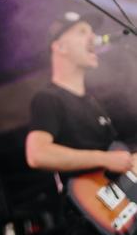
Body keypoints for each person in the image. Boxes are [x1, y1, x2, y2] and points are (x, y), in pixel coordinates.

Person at [25, 12, 137, 233]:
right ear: (60, 47)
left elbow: (117, 156)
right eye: (82, 32)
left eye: (92, 32)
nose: (93, 37)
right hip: (88, 216)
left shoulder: (92, 102)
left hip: (120, 202)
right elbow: (37, 154)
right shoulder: (49, 98)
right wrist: (106, 159)